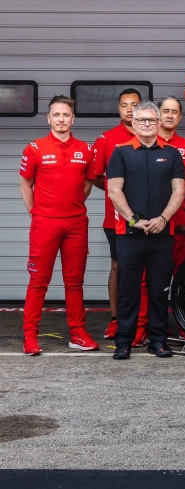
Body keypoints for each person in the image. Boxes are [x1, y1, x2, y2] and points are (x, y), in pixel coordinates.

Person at [20, 95, 98, 355]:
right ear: (48, 118)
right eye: (57, 115)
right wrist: (37, 213)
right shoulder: (35, 148)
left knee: (74, 282)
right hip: (45, 224)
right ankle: (30, 336)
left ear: (72, 118)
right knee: (38, 281)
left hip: (76, 224)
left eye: (66, 115)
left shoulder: (85, 149)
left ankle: (78, 334)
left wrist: (72, 205)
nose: (61, 119)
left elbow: (88, 183)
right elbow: (25, 184)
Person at [107, 101, 185, 359]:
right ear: (134, 123)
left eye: (152, 120)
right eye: (142, 120)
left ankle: (158, 341)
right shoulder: (121, 153)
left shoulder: (172, 154)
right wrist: (133, 220)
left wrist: (164, 218)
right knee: (128, 290)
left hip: (162, 234)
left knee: (159, 290)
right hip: (129, 234)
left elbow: (179, 191)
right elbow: (114, 191)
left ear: (159, 123)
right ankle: (124, 342)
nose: (147, 124)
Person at [92, 87, 140, 340]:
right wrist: (117, 190)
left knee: (147, 269)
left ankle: (143, 321)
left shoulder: (150, 135)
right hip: (116, 218)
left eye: (134, 105)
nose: (130, 110)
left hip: (149, 217)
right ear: (118, 109)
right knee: (118, 266)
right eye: (124, 105)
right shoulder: (106, 139)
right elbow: (95, 176)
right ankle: (115, 319)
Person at [157, 96, 185, 274]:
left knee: (181, 271)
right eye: (165, 111)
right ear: (157, 115)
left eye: (174, 112)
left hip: (181, 219)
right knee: (151, 274)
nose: (170, 116)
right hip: (152, 220)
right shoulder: (146, 144)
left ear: (179, 117)